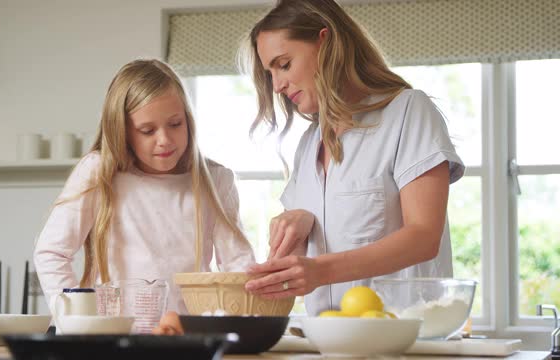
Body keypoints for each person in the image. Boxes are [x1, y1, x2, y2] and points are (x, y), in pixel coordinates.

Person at [241, 0, 465, 316]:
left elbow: (424, 237)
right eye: (270, 73)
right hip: (327, 341)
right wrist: (298, 229)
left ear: (326, 41)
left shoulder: (408, 112)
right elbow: (308, 260)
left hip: (402, 340)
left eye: (285, 64)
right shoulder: (308, 145)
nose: (277, 85)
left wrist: (320, 270)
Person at [34, 59, 255, 315]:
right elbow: (51, 252)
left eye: (175, 124)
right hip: (115, 338)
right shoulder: (98, 172)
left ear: (188, 119)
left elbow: (238, 265)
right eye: (147, 130)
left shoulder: (215, 180)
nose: (165, 140)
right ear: (122, 131)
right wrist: (75, 318)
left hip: (187, 335)